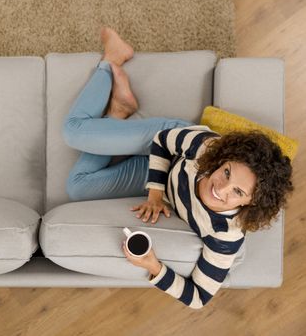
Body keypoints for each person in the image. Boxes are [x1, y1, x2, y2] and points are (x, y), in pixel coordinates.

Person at [62, 27, 294, 309]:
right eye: (227, 173)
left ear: (250, 201)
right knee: (73, 130)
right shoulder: (207, 149)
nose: (219, 187)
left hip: (167, 179)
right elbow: (161, 141)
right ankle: (111, 60)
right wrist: (155, 193)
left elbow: (198, 298)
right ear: (224, 160)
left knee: (77, 187)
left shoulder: (225, 235)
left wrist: (153, 267)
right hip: (165, 144)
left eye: (237, 191)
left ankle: (118, 112)